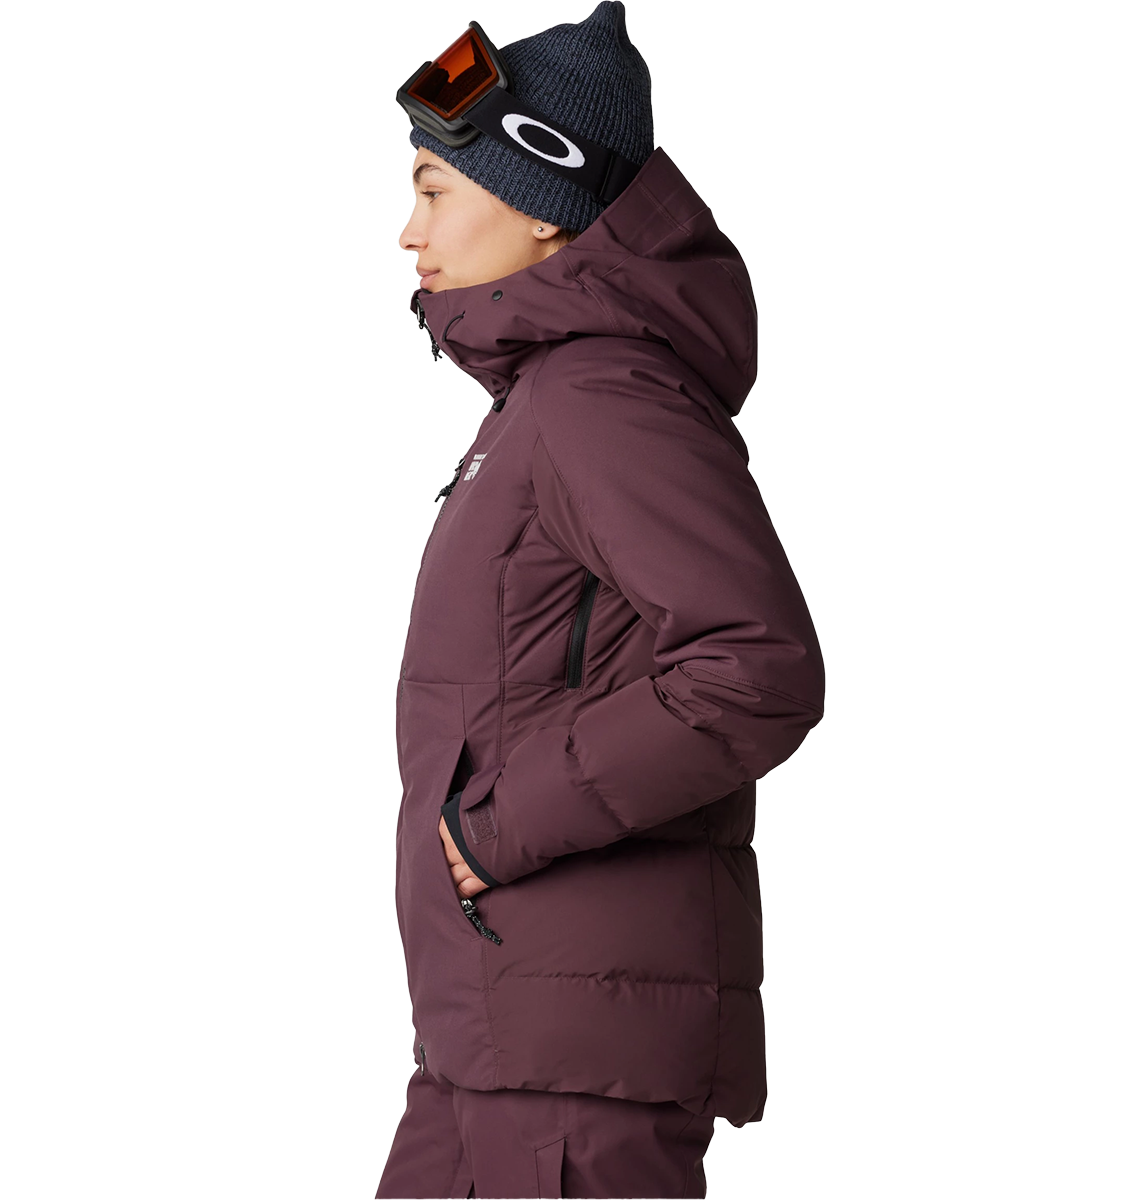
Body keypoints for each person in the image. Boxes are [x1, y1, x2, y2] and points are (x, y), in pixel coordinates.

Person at [377, 4, 825, 1197]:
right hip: (498, 1036)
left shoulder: (598, 396)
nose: (408, 231)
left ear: (540, 200)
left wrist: (493, 829)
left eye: (433, 189)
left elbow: (756, 667)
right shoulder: (540, 403)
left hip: (573, 1060)